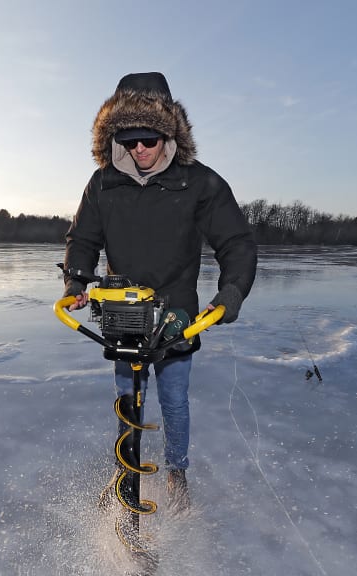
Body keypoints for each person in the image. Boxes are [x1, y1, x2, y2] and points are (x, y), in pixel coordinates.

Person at [63, 72, 257, 514]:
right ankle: (125, 472)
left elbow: (236, 242)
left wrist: (231, 292)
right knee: (128, 399)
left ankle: (177, 472)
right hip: (122, 314)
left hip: (176, 316)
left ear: (167, 133)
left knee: (174, 400)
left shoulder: (199, 182)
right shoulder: (103, 184)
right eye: (129, 140)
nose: (140, 150)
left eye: (148, 138)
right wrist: (76, 280)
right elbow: (83, 238)